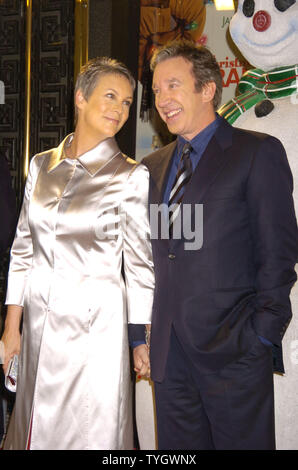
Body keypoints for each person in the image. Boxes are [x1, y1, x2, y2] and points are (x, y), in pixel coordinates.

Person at [133, 40, 298, 450]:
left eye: (173, 85)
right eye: (155, 91)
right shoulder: (151, 168)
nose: (161, 100)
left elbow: (278, 255)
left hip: (236, 354)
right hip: (169, 359)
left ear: (208, 88)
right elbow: (145, 259)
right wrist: (139, 335)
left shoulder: (256, 152)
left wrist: (262, 336)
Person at [1, 57, 154, 450]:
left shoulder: (130, 175)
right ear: (80, 98)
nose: (120, 109)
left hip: (95, 331)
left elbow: (139, 266)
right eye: (110, 96)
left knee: (88, 431)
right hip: (37, 326)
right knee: (34, 425)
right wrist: (11, 325)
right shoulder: (41, 165)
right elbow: (23, 247)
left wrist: (142, 339)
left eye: (126, 101)